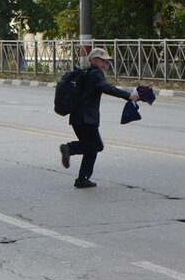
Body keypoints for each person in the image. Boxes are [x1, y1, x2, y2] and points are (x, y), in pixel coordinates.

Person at [59, 47, 140, 188]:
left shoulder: (86, 73)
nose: (106, 64)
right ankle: (69, 148)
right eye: (103, 60)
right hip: (86, 118)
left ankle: (82, 179)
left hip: (78, 118)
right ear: (94, 60)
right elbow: (107, 88)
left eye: (107, 61)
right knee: (96, 145)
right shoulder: (95, 74)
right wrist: (128, 96)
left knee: (91, 147)